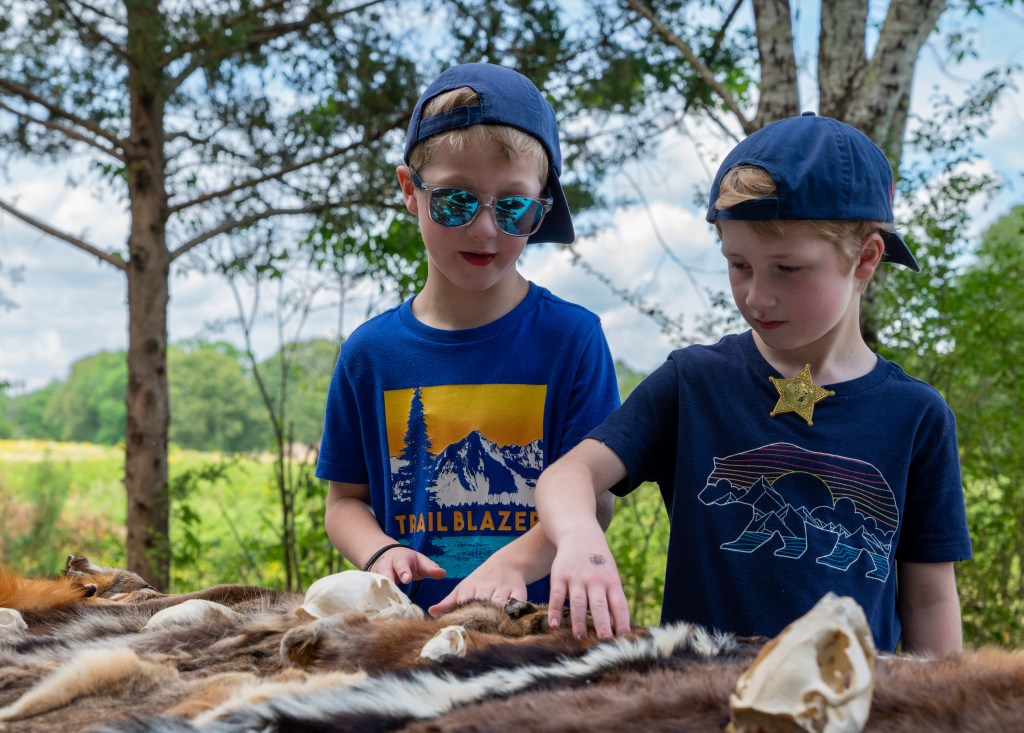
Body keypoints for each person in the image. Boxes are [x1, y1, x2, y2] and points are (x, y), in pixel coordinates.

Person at [536, 113, 972, 655]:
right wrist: (581, 538)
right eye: (738, 264)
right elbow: (569, 474)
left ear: (865, 259)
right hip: (701, 709)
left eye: (786, 269)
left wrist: (942, 713)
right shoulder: (693, 382)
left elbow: (929, 600)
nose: (756, 296)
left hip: (848, 716)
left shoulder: (917, 416)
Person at [316, 63, 620, 615]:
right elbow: (344, 502)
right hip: (405, 632)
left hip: (533, 634)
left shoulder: (573, 339)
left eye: (512, 207)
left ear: (540, 208)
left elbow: (594, 504)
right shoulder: (369, 354)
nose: (484, 229)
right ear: (411, 191)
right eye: (455, 201)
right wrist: (379, 550)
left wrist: (512, 568)